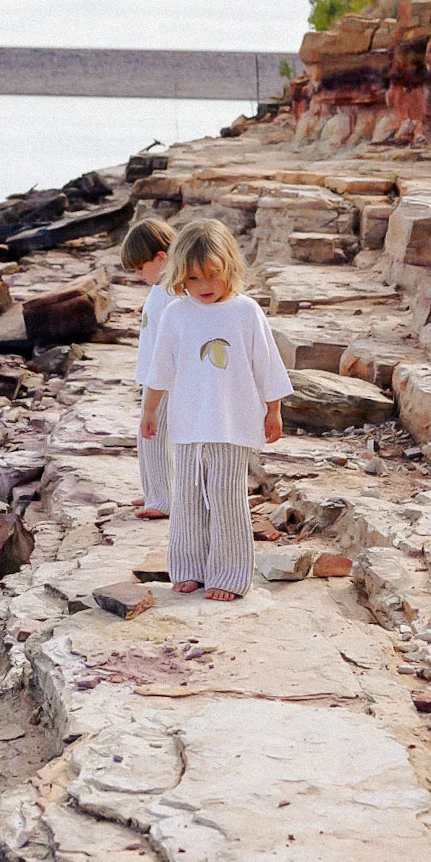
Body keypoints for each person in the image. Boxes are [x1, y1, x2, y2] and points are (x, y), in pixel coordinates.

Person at [141, 218, 292, 601]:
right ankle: (189, 568)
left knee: (226, 499)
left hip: (232, 423)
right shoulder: (175, 314)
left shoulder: (246, 312)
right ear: (179, 277)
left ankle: (229, 574)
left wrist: (273, 410)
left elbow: (267, 364)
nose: (204, 287)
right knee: (188, 497)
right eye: (193, 279)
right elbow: (160, 370)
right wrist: (150, 412)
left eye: (212, 276)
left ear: (230, 268)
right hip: (188, 423)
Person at [120, 216, 176, 520]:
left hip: (165, 378)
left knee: (156, 434)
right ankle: (154, 490)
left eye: (141, 267)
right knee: (148, 435)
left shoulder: (173, 291)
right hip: (153, 375)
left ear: (161, 258)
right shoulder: (160, 286)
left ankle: (163, 497)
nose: (138, 274)